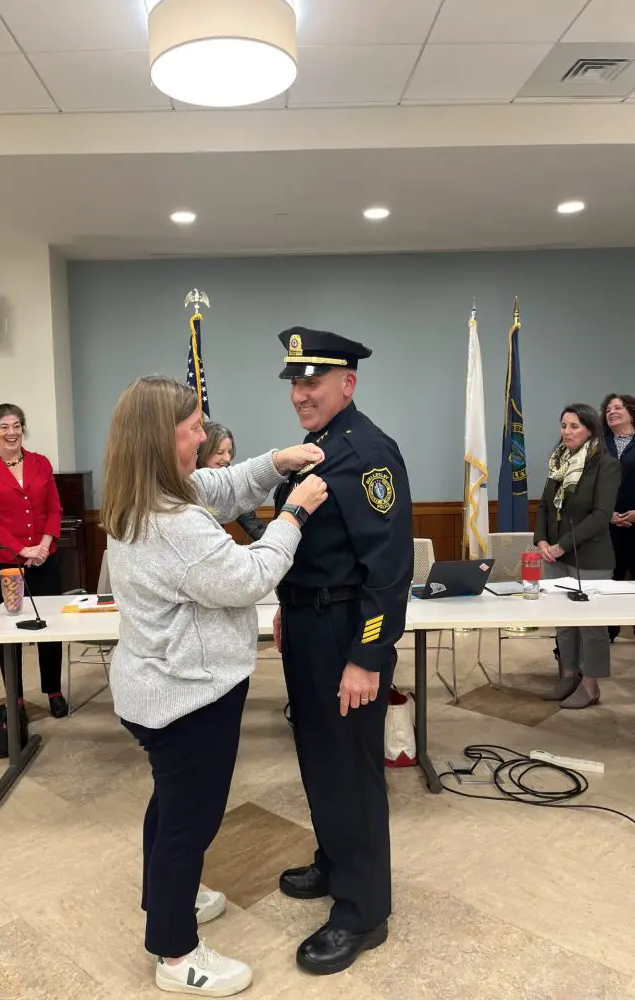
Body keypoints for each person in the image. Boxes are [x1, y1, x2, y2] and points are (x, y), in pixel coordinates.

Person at [100, 375, 327, 997]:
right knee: (189, 824)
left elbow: (222, 485)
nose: (205, 438)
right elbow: (248, 576)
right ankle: (176, 954)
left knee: (171, 805)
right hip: (186, 697)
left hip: (157, 688)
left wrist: (276, 462)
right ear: (159, 438)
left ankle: (167, 898)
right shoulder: (171, 521)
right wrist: (293, 512)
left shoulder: (143, 494)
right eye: (194, 428)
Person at [272, 327, 413, 975]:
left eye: (314, 381)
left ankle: (363, 910)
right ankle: (335, 861)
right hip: (307, 624)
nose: (302, 393)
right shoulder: (316, 448)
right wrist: (286, 606)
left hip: (344, 635)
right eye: (296, 382)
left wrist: (367, 657)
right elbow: (314, 548)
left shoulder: (367, 453)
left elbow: (386, 571)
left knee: (351, 769)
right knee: (317, 754)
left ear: (346, 383)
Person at [0, 404, 68, 718]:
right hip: (2, 563)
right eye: (4, 427)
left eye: (16, 426)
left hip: (43, 558)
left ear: (23, 428)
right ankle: (17, 698)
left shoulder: (40, 463)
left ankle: (53, 690)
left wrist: (44, 544)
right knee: (8, 631)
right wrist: (21, 550)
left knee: (49, 628)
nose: (11, 433)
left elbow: (55, 509)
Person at [534, 403, 621, 709]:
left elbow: (601, 515)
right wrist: (542, 540)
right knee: (563, 622)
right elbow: (545, 505)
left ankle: (590, 685)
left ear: (590, 429)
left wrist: (563, 544)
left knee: (591, 626)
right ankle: (568, 675)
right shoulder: (558, 461)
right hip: (554, 555)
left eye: (574, 426)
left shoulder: (605, 465)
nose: (567, 432)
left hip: (590, 557)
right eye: (563, 426)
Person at [601, 393, 635, 642]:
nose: (611, 411)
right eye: (608, 409)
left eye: (618, 407)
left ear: (631, 412)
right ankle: (606, 632)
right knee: (608, 584)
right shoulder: (599, 445)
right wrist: (607, 514)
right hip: (606, 526)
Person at [197, 421, 267, 541]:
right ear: (204, 451)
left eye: (229, 452)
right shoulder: (189, 480)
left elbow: (251, 523)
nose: (227, 459)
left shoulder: (229, 481)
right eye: (220, 453)